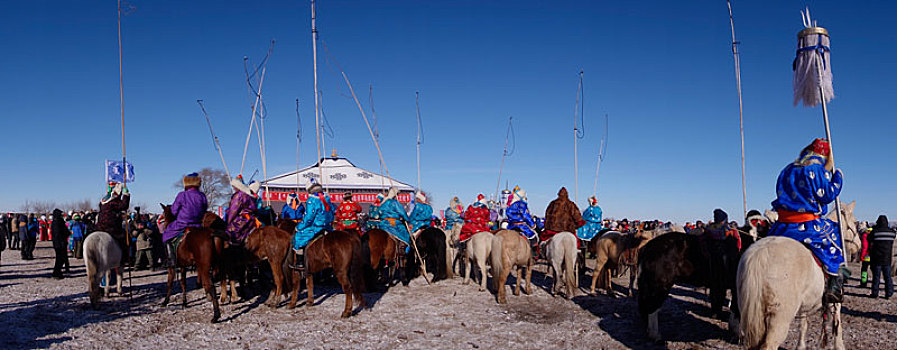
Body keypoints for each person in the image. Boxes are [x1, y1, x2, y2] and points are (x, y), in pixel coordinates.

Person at [767, 138, 848, 303]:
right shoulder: (816, 169)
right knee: (835, 241)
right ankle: (834, 285)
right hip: (806, 225)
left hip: (782, 225)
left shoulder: (787, 169)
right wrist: (838, 177)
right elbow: (827, 195)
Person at [162, 173, 208, 267]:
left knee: (166, 234)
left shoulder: (182, 195)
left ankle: (171, 259)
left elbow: (174, 211)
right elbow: (204, 209)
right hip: (198, 225)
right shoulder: (202, 195)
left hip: (182, 224)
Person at [702, 208, 741, 319]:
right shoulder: (730, 231)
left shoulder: (709, 229)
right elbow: (737, 245)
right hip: (728, 263)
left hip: (713, 262)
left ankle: (716, 310)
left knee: (716, 288)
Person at [292, 180, 334, 269]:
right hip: (327, 226)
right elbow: (332, 210)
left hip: (316, 227)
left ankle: (300, 263)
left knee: (299, 237)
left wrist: (299, 227)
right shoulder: (327, 197)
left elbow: (309, 218)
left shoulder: (311, 200)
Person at [96, 182, 131, 266]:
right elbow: (124, 205)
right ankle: (124, 259)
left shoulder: (103, 201)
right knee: (125, 238)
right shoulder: (113, 201)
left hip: (100, 226)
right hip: (111, 226)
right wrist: (126, 195)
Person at [225, 175, 258, 245]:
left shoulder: (239, 195)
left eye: (234, 186)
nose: (233, 188)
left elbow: (233, 211)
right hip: (250, 220)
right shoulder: (248, 195)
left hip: (241, 220)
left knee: (228, 233)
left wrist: (228, 221)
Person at [868, 215, 894, 299]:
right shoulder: (891, 233)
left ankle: (875, 293)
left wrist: (874, 228)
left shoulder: (875, 232)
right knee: (887, 277)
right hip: (887, 258)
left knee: (876, 277)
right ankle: (889, 293)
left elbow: (869, 238)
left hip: (876, 258)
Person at [50, 209, 71, 279]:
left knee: (61, 258)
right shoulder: (58, 222)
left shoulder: (57, 222)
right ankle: (56, 273)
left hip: (59, 242)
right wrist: (66, 233)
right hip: (60, 243)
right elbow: (59, 233)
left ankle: (57, 272)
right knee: (60, 259)